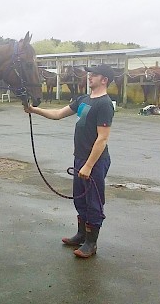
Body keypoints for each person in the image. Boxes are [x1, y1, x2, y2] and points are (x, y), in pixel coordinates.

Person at [24, 64, 115, 258]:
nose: (89, 77)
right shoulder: (83, 99)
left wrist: (89, 165)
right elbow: (58, 114)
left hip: (95, 161)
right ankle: (81, 235)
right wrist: (33, 110)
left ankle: (91, 243)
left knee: (93, 202)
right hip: (80, 158)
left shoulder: (105, 104)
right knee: (80, 197)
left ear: (104, 80)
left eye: (94, 75)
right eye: (90, 74)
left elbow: (102, 138)